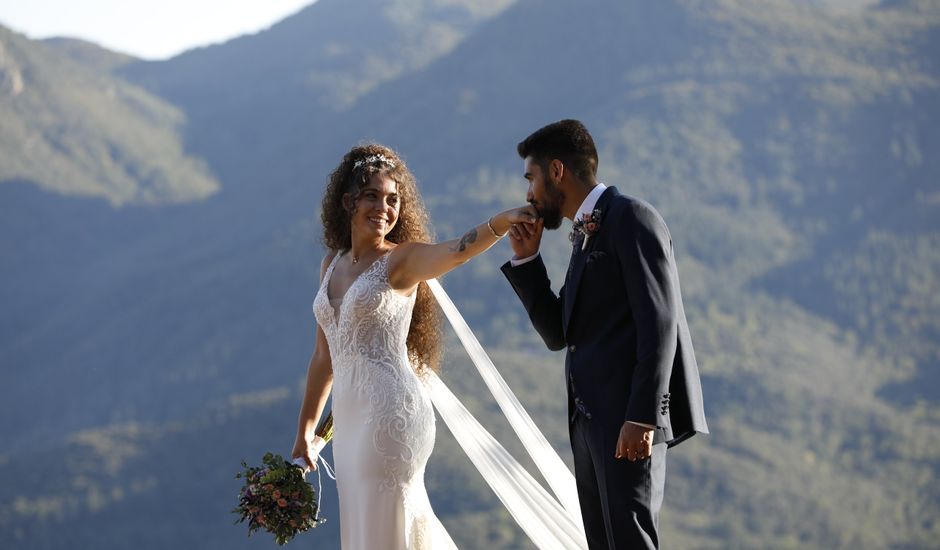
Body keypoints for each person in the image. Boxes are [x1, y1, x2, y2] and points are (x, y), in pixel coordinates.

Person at [291, 143, 536, 549]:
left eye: (393, 200)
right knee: (367, 531)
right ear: (349, 200)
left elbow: (456, 251)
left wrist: (501, 222)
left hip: (392, 419)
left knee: (387, 529)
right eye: (372, 196)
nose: (384, 208)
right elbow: (324, 357)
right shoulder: (330, 264)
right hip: (349, 430)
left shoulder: (401, 261)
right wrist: (305, 432)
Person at [500, 119, 708, 549]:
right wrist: (527, 262)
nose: (529, 194)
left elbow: (660, 321)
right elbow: (560, 333)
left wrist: (642, 416)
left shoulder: (632, 217)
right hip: (587, 427)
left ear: (557, 171)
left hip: (628, 425)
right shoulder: (583, 236)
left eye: (531, 177)